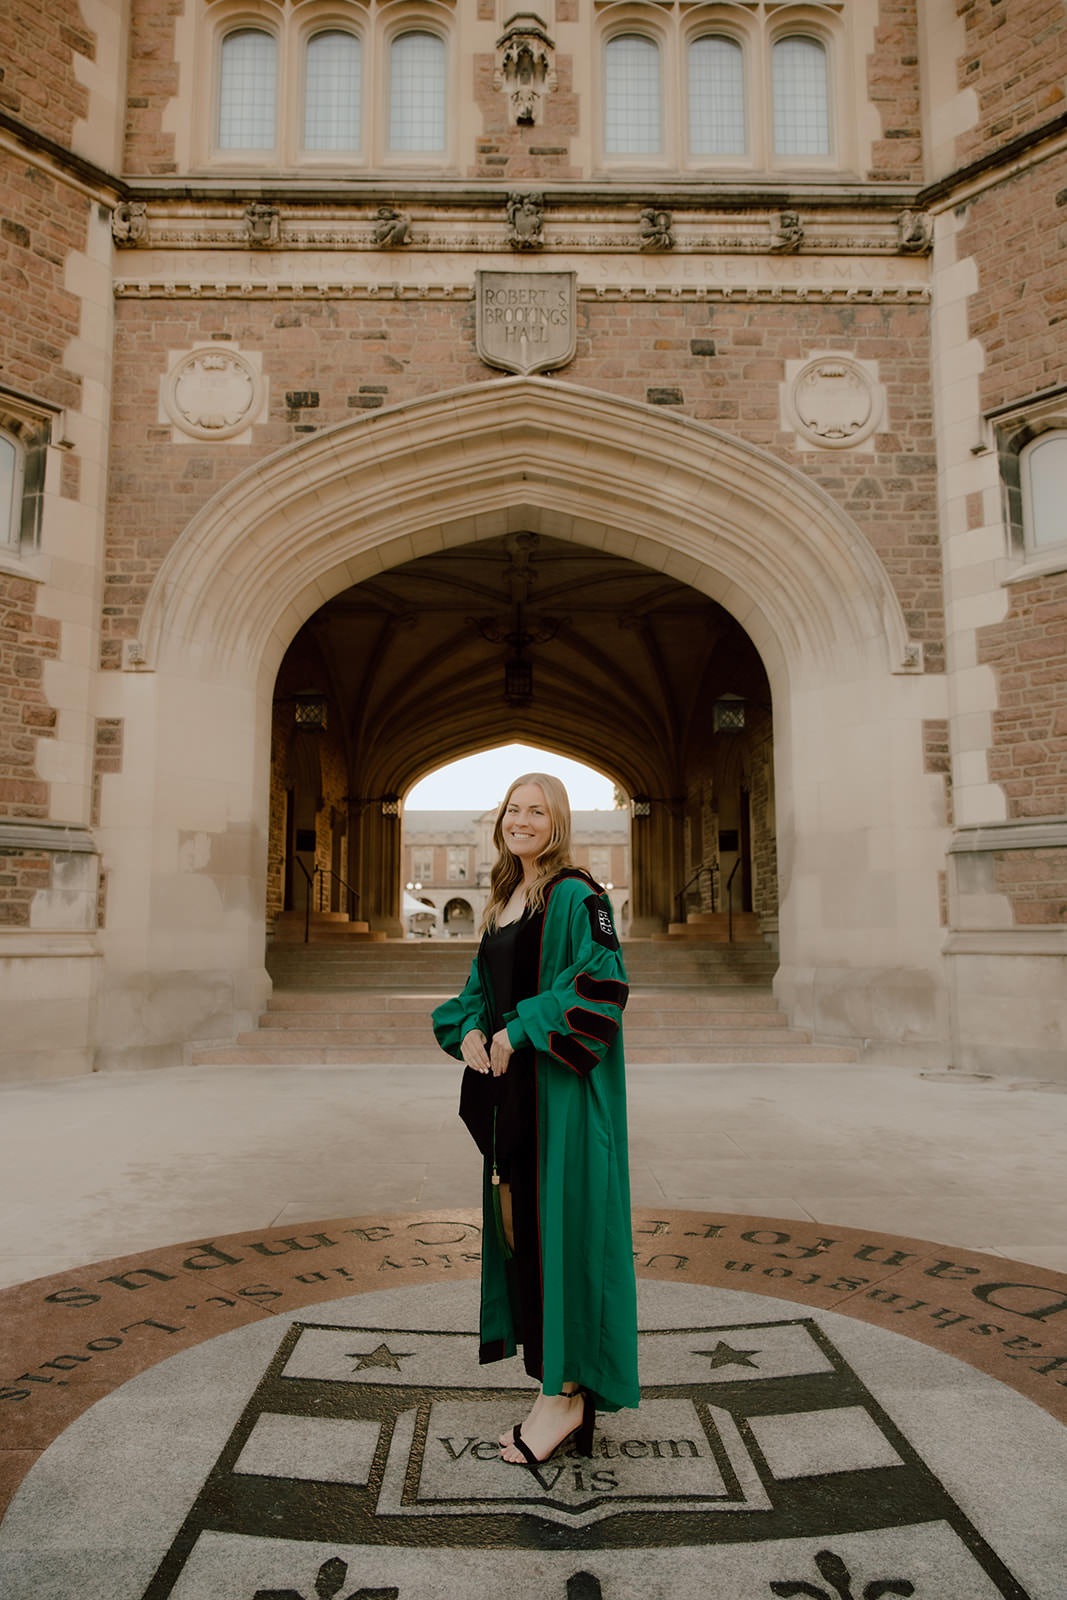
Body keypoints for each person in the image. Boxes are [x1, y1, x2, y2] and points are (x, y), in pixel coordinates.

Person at [432, 773, 640, 1470]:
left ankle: (566, 1393)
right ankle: (554, 1385)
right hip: (507, 1098)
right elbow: (474, 991)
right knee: (524, 1237)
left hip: (560, 1096)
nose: (521, 821)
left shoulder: (577, 895)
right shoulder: (503, 900)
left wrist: (518, 1032)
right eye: (512, 810)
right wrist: (466, 1029)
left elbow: (601, 982)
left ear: (558, 823)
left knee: (563, 1239)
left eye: (536, 811)